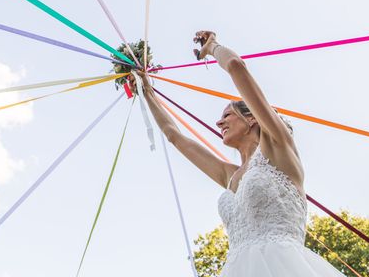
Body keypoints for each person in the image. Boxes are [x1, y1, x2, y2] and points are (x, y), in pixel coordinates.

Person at [134, 31, 346, 275]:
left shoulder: (278, 146)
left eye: (227, 115)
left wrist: (212, 47)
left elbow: (236, 66)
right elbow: (174, 136)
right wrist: (145, 90)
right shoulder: (229, 175)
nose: (218, 123)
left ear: (253, 119)